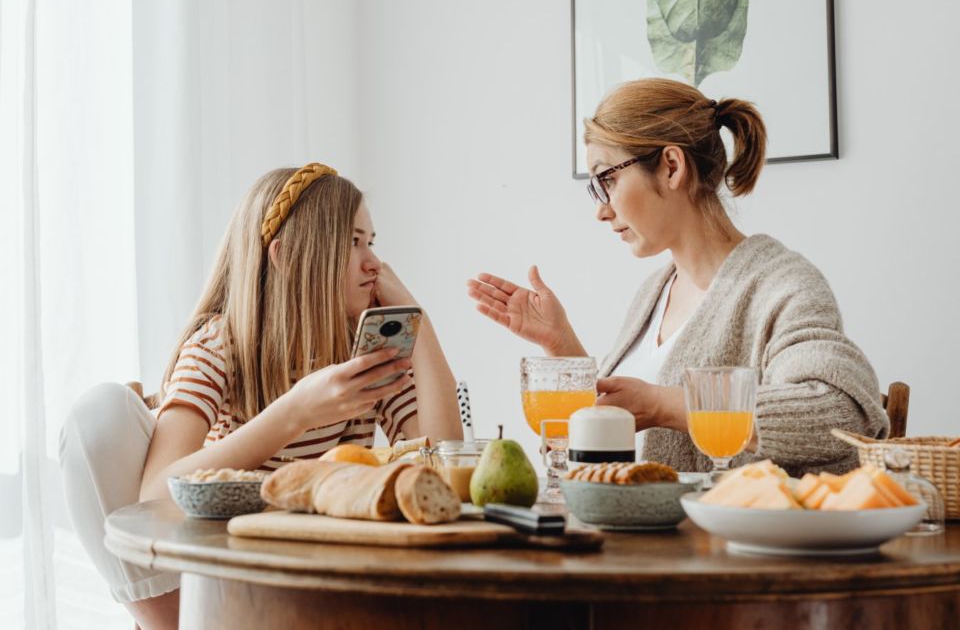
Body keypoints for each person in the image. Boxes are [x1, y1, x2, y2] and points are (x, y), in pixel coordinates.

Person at [60, 163, 462, 629]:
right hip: (225, 582)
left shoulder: (360, 355)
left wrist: (419, 320)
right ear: (287, 256)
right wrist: (294, 413)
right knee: (99, 411)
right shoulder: (220, 345)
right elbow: (154, 496)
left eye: (371, 243)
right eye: (353, 242)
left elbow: (445, 456)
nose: (374, 263)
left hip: (319, 579)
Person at [468, 78, 887, 479]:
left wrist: (665, 405)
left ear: (671, 166)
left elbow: (841, 412)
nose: (601, 209)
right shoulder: (655, 292)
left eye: (608, 179)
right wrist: (562, 345)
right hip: (635, 544)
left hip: (723, 548)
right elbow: (620, 426)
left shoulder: (783, 287)